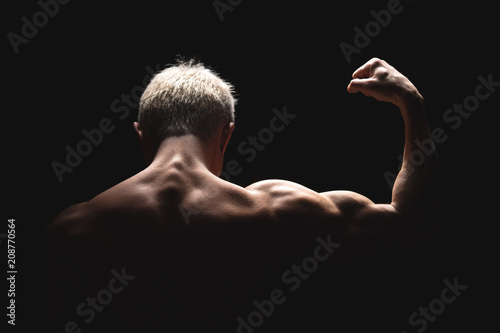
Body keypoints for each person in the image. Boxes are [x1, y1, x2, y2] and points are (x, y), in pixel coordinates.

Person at [43, 58, 437, 332]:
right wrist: (412, 104)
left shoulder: (75, 227)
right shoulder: (273, 208)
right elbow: (407, 219)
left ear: (140, 135)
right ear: (227, 134)